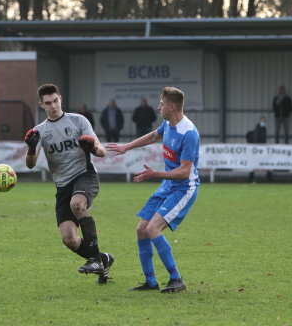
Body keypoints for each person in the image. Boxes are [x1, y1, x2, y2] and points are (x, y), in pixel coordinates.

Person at [105, 87, 200, 293]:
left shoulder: (188, 133)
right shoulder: (168, 123)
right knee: (141, 230)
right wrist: (126, 147)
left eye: (162, 104)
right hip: (167, 185)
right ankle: (150, 282)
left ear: (172, 107)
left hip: (184, 188)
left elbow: (184, 173)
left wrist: (154, 174)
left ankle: (177, 279)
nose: (158, 107)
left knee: (152, 229)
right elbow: (151, 137)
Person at [24, 84, 114, 284]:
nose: (53, 106)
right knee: (69, 239)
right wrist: (31, 149)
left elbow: (101, 151)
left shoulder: (78, 120)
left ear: (60, 99)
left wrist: (92, 146)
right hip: (62, 185)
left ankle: (94, 260)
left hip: (85, 175)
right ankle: (103, 259)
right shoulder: (40, 131)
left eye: (55, 101)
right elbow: (30, 164)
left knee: (77, 204)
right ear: (42, 105)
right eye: (48, 103)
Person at [247, 116, 273, 182]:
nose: (263, 122)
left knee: (263, 163)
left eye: (264, 121)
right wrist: (258, 146)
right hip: (259, 149)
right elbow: (256, 137)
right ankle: (251, 178)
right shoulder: (258, 128)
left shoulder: (264, 128)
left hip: (262, 148)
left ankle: (269, 178)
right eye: (262, 121)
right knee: (257, 164)